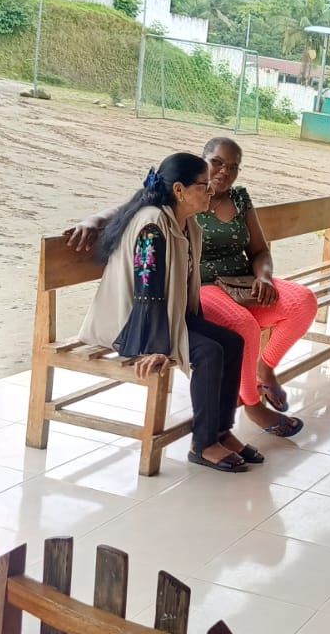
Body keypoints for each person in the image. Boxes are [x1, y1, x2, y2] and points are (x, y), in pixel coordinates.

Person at [67, 137, 307, 438]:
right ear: (199, 165)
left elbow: (259, 250)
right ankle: (237, 416)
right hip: (178, 301)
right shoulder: (166, 212)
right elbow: (146, 284)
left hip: (212, 293)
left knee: (288, 310)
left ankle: (237, 408)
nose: (223, 173)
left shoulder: (215, 207)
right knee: (229, 337)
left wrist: (265, 276)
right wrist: (92, 220)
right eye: (216, 163)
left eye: (233, 167)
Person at [80, 153, 260, 472]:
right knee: (208, 353)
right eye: (203, 185)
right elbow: (146, 288)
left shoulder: (186, 223)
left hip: (167, 315)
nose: (210, 191)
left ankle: (220, 432)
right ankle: (203, 444)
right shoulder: (152, 225)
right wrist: (157, 347)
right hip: (134, 325)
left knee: (232, 343)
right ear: (179, 190)